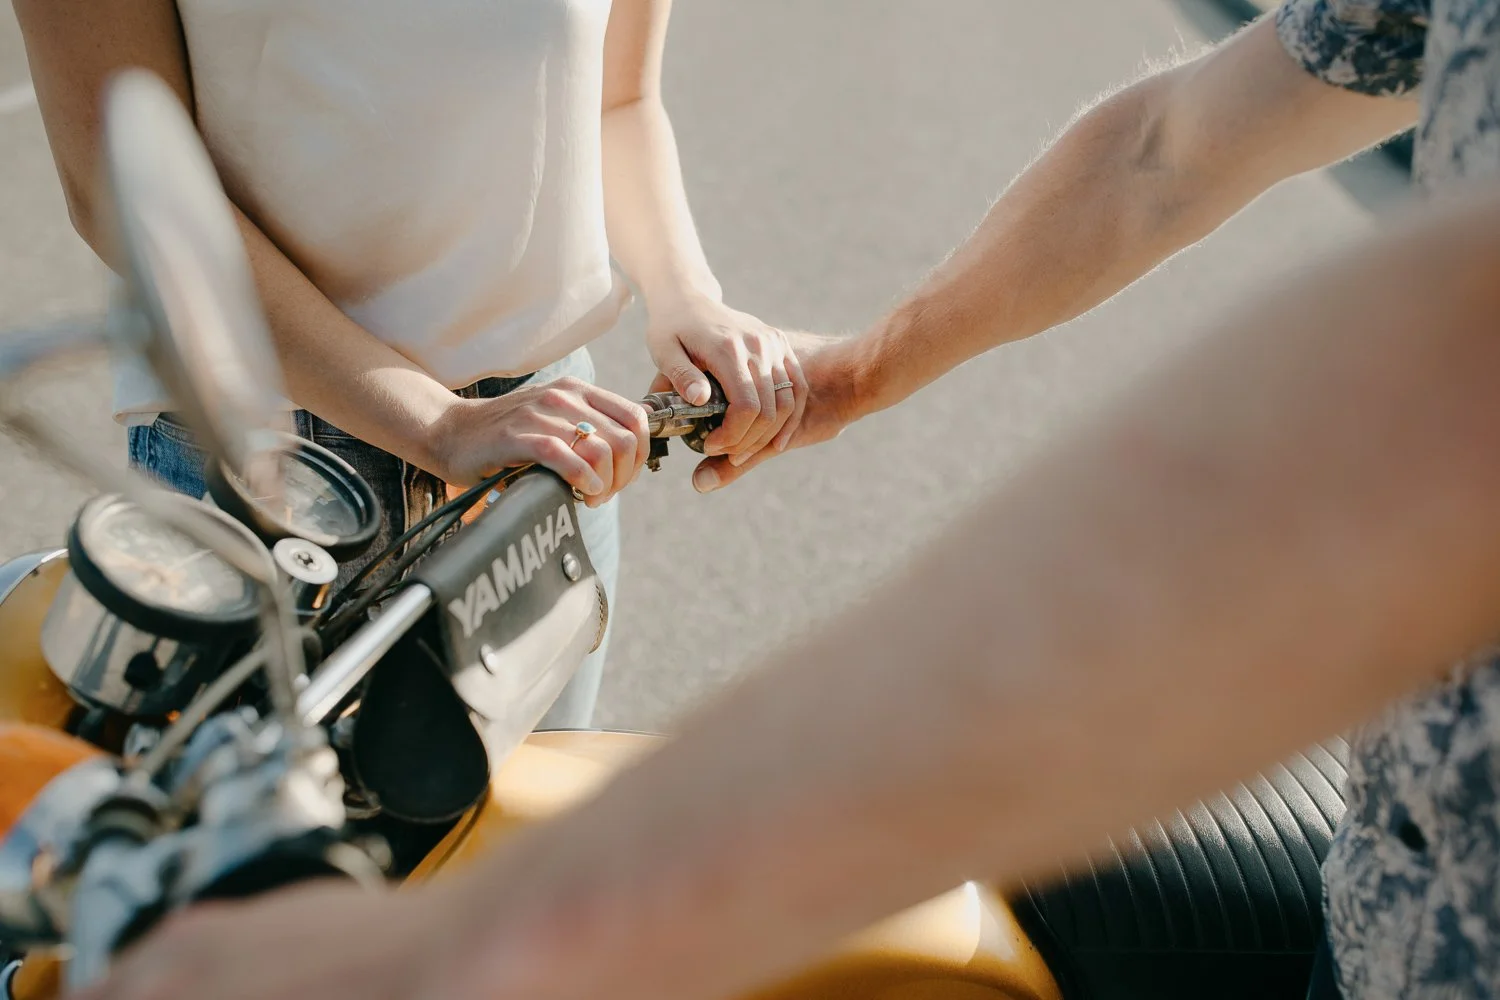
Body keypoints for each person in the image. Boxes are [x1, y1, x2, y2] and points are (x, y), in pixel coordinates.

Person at [60, 3, 1500, 999]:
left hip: (531, 451)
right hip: (302, 466)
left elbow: (1401, 436)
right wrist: (861, 369)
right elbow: (1162, 153)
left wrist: (476, 950)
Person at [12, 0, 808, 730]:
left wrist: (689, 298)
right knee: (268, 872)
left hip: (544, 447)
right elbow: (117, 183)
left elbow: (618, 99)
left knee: (520, 872)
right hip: (283, 481)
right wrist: (436, 423)